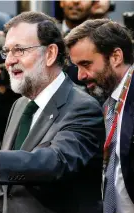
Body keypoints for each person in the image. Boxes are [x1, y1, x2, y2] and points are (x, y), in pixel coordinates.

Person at [0, 11, 105, 213]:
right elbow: (5, 190)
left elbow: (55, 162)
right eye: (7, 52)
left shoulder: (83, 107)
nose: (9, 61)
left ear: (50, 53)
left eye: (20, 50)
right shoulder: (20, 106)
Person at [65, 18, 134, 213]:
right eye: (77, 66)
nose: (80, 76)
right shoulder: (106, 102)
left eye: (86, 64)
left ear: (116, 57)